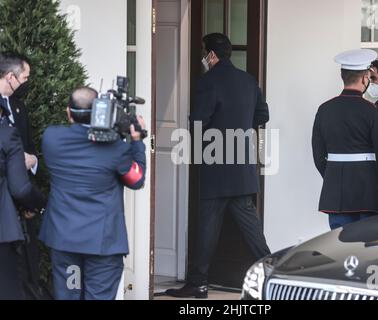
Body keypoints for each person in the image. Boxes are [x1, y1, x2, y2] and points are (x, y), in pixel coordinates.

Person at [166, 33, 271, 299]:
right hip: (242, 167)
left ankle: (198, 284)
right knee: (252, 230)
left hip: (216, 166)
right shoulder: (248, 81)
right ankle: (273, 276)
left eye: (204, 53)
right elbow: (263, 115)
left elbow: (198, 122)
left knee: (206, 229)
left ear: (211, 55)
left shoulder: (208, 81)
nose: (203, 58)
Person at [39, 87, 146, 300]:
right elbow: (136, 180)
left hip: (65, 240)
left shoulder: (52, 138)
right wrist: (136, 141)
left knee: (69, 296)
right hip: (102, 246)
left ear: (68, 112)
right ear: (101, 112)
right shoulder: (115, 148)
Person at [312, 49, 378, 230]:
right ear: (365, 78)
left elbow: (318, 156)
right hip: (367, 194)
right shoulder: (373, 111)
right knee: (366, 249)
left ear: (343, 76)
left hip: (336, 195)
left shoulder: (324, 110)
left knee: (339, 247)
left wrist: (335, 177)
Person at [0, 52, 43, 299]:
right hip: (8, 196)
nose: (27, 82)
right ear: (10, 76)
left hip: (22, 202)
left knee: (27, 269)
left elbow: (29, 145)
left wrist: (33, 161)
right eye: (24, 77)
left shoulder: (18, 106)